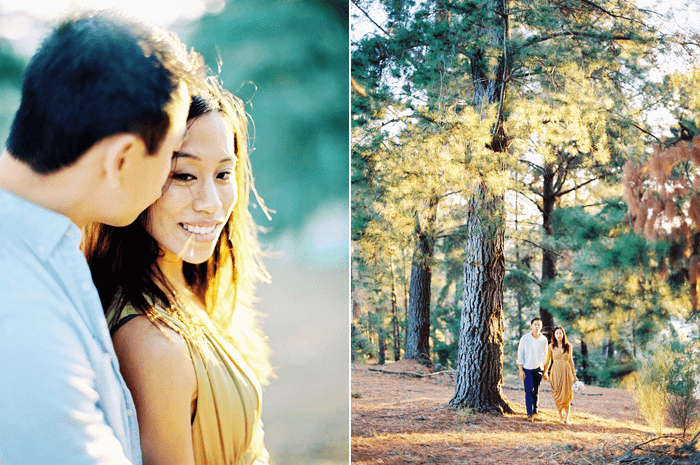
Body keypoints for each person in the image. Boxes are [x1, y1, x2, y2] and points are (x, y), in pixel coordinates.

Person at [0, 11, 203, 464]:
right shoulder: (25, 319)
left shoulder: (43, 249)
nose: (168, 180)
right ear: (121, 159)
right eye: (172, 156)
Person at [83, 80, 272, 464]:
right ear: (138, 177)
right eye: (185, 175)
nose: (211, 204)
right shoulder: (153, 344)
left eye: (223, 175)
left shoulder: (185, 288)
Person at [543, 326, 579, 424]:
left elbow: (571, 361)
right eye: (557, 333)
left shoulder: (569, 346)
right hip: (555, 371)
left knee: (566, 394)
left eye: (560, 333)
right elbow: (548, 360)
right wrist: (545, 372)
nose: (559, 335)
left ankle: (567, 418)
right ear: (554, 335)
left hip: (566, 371)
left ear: (563, 334)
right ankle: (561, 417)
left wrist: (574, 375)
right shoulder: (551, 346)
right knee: (557, 393)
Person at [517, 317, 549, 422]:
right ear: (531, 325)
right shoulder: (525, 338)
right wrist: (520, 370)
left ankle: (535, 410)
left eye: (539, 325)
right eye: (535, 324)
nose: (536, 327)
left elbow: (546, 356)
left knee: (536, 391)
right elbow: (520, 354)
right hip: (527, 368)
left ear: (541, 327)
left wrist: (545, 371)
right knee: (528, 391)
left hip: (538, 368)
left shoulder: (544, 340)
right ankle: (529, 413)